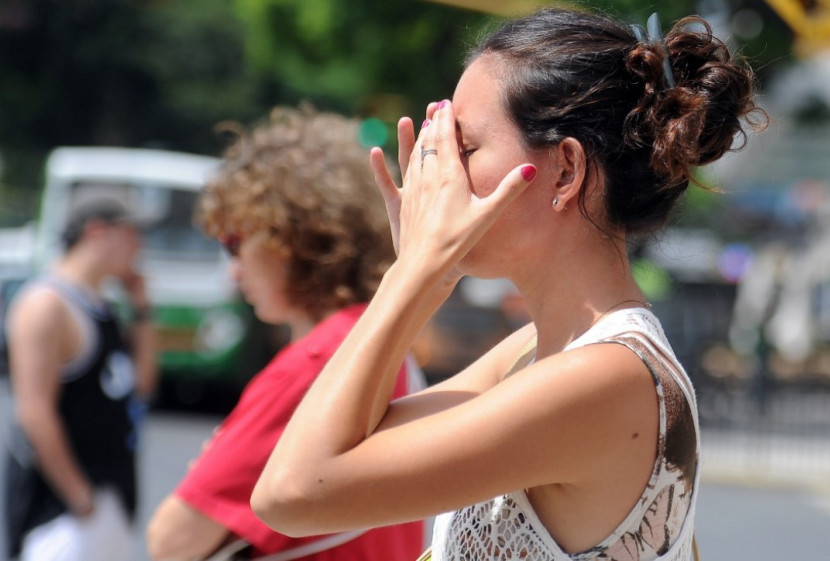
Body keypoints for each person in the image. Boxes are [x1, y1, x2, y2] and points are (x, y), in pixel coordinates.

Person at [251, 9, 760, 561]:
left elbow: (292, 494)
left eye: (463, 149)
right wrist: (430, 271)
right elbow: (351, 443)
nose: (437, 174)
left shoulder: (607, 377)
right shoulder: (532, 354)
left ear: (565, 170)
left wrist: (414, 272)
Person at [144, 107, 424, 561]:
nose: (233, 271)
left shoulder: (316, 364)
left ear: (294, 236)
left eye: (236, 242)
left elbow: (171, 541)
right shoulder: (381, 339)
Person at [4, 197, 158, 561]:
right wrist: (80, 497)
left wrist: (142, 308)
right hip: (61, 512)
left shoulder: (101, 304)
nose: (139, 247)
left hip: (110, 494)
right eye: (131, 234)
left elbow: (143, 385)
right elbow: (34, 412)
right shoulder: (47, 304)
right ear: (97, 232)